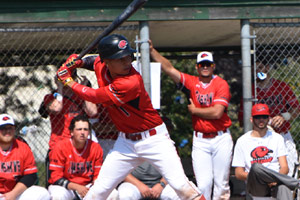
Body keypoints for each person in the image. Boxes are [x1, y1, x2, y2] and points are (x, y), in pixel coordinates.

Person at [56, 34, 204, 200]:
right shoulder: (102, 64)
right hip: (125, 143)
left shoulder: (130, 82)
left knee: (182, 187)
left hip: (154, 139)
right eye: (121, 59)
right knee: (98, 192)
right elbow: (95, 61)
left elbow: (94, 95)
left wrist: (68, 80)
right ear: (108, 61)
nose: (127, 63)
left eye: (129, 57)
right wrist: (79, 62)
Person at [150, 41, 232, 200]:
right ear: (197, 67)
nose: (205, 67)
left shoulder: (220, 83)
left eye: (208, 64)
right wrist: (152, 50)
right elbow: (169, 68)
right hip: (201, 139)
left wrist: (195, 111)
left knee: (221, 185)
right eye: (202, 65)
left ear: (213, 66)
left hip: (221, 138)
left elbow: (217, 113)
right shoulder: (192, 82)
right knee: (203, 185)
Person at [238, 59, 300, 177]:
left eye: (261, 67)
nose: (258, 71)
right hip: (261, 139)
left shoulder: (282, 86)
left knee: (289, 172)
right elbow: (242, 120)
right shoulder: (250, 92)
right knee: (266, 175)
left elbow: (296, 109)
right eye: (255, 69)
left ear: (267, 68)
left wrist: (284, 117)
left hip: (282, 135)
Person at [39, 69, 98, 187]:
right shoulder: (51, 97)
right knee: (56, 186)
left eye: (69, 79)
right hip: (59, 145)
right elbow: (56, 109)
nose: (66, 82)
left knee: (83, 183)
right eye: (63, 79)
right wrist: (60, 89)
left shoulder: (80, 96)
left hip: (80, 147)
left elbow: (93, 112)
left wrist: (83, 90)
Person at [232, 104, 300, 199]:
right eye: (257, 117)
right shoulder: (242, 141)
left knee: (284, 188)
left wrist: (275, 180)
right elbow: (238, 173)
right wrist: (260, 178)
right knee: (256, 167)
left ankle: (291, 183)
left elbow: (284, 167)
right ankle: (296, 183)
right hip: (256, 184)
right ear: (252, 119)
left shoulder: (277, 138)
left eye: (264, 117)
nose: (261, 120)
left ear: (268, 119)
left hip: (275, 183)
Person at [48, 115, 103, 200]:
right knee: (58, 195)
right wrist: (77, 187)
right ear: (71, 132)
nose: (82, 132)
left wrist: (93, 188)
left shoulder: (95, 147)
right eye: (79, 129)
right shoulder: (61, 146)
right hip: (66, 187)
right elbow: (56, 177)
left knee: (112, 194)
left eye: (85, 129)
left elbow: (97, 176)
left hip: (87, 186)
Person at [0, 114, 51, 200]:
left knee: (43, 193)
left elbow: (31, 176)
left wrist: (13, 194)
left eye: (10, 128)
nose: (7, 131)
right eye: (3, 128)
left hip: (17, 193)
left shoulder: (23, 147)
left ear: (14, 130)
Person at [118, 161, 186, 200]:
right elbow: (121, 170)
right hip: (134, 185)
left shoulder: (165, 143)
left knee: (179, 195)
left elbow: (173, 169)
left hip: (161, 185)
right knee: (124, 195)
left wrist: (161, 184)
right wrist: (139, 185)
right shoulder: (128, 143)